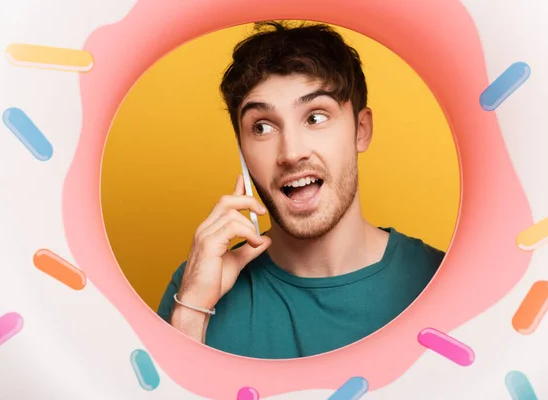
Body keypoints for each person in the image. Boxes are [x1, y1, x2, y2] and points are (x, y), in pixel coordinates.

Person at [157, 20, 444, 359]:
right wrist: (191, 310)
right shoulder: (196, 289)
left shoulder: (440, 279)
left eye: (315, 118)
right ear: (242, 151)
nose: (291, 152)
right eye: (262, 127)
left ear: (361, 130)